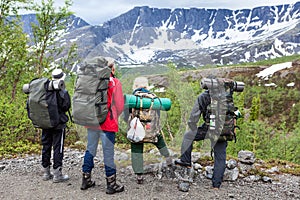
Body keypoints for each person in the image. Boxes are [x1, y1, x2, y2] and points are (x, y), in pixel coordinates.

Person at [80, 58, 125, 194]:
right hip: (108, 122)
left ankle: (85, 179)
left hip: (92, 121)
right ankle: (111, 184)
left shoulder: (92, 80)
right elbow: (120, 105)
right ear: (112, 69)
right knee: (108, 153)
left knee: (90, 150)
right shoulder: (115, 82)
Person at [174, 82, 231, 189]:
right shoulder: (226, 95)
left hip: (208, 129)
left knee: (188, 136)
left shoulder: (203, 97)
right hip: (223, 130)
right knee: (220, 157)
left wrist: (192, 125)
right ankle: (216, 185)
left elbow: (194, 116)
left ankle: (186, 160)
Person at [128, 77, 172, 184]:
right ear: (146, 86)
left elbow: (129, 113)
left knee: (136, 147)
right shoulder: (154, 98)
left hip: (138, 131)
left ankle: (139, 175)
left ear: (135, 86)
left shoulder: (133, 98)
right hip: (152, 130)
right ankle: (169, 160)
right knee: (159, 140)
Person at [41, 68, 71, 183]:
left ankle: (46, 172)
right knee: (58, 147)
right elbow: (66, 106)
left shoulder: (44, 89)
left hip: (46, 122)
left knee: (46, 145)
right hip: (58, 124)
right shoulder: (62, 91)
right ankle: (57, 175)